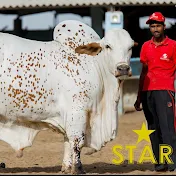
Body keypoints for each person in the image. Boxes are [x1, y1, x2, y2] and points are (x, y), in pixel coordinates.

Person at [134, 12, 176, 172]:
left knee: (168, 129)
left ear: (164, 27)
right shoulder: (145, 46)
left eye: (158, 25)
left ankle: (172, 163)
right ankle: (160, 163)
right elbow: (143, 72)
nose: (155, 28)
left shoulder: (173, 45)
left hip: (165, 91)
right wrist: (139, 96)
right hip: (147, 92)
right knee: (153, 129)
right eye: (152, 26)